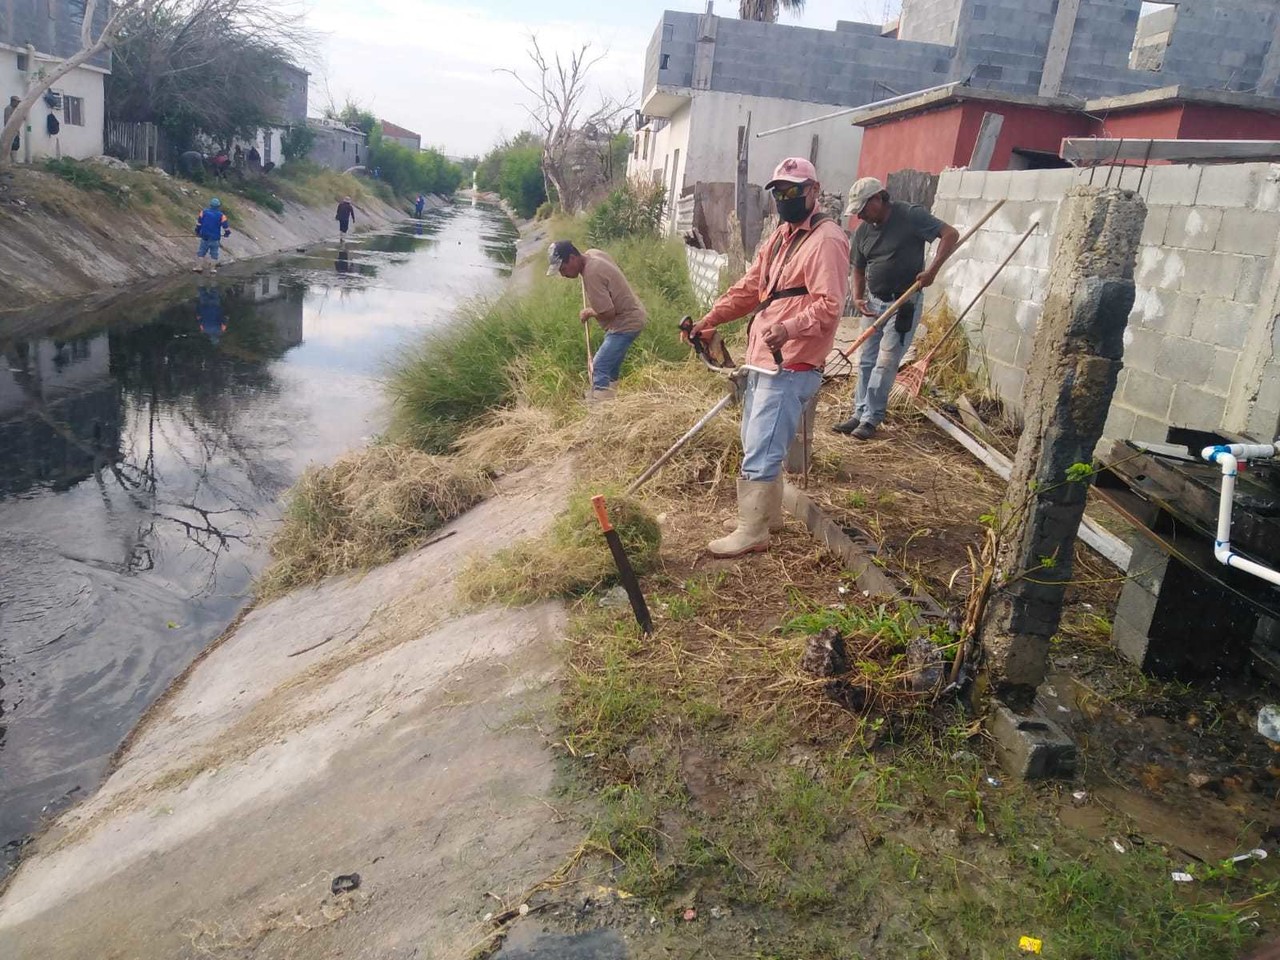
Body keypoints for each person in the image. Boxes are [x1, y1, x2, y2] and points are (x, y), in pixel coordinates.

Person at [687, 157, 849, 558]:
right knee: (754, 438)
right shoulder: (780, 236)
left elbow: (830, 305)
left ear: (814, 191)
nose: (785, 198)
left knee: (762, 443)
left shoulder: (826, 240)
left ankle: (753, 529)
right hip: (763, 357)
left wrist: (789, 328)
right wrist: (709, 321)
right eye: (778, 191)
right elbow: (749, 288)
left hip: (792, 361)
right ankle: (767, 514)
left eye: (794, 190)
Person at [832, 176, 960, 441]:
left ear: (879, 199)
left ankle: (871, 419)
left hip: (904, 302)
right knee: (866, 360)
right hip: (874, 304)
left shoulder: (910, 215)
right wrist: (857, 297)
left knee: (886, 361)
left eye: (863, 209)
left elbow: (950, 234)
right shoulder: (864, 231)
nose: (861, 216)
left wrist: (932, 271)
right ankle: (859, 413)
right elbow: (858, 266)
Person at [547, 240, 647, 400]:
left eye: (563, 269)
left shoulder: (592, 273)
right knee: (611, 367)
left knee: (599, 367)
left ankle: (599, 410)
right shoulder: (592, 254)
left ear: (573, 258)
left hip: (626, 323)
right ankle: (610, 398)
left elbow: (608, 313)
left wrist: (589, 312)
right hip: (633, 315)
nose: (563, 275)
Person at [193, 197, 231, 274]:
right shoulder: (221, 215)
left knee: (201, 252)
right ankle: (212, 269)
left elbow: (199, 224)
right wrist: (227, 234)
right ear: (219, 206)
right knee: (214, 254)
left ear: (210, 205)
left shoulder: (203, 212)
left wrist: (197, 232)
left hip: (204, 236)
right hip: (215, 238)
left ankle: (199, 267)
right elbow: (226, 227)